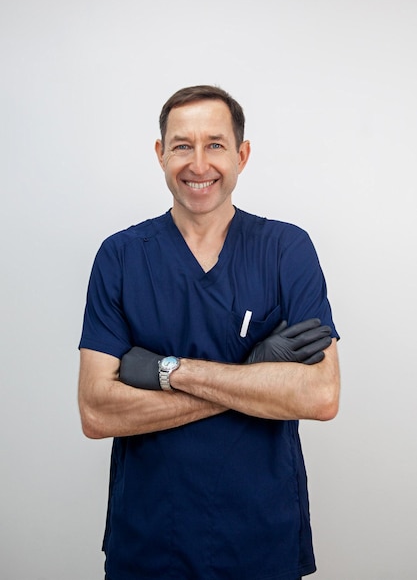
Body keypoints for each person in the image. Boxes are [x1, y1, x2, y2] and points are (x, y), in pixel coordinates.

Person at [78, 85, 340, 580]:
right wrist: (257, 376)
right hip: (150, 539)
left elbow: (321, 395)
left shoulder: (287, 249)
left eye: (215, 144)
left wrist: (166, 371)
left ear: (241, 155)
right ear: (160, 154)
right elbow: (96, 410)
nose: (199, 164)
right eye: (182, 145)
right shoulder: (120, 256)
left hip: (262, 537)